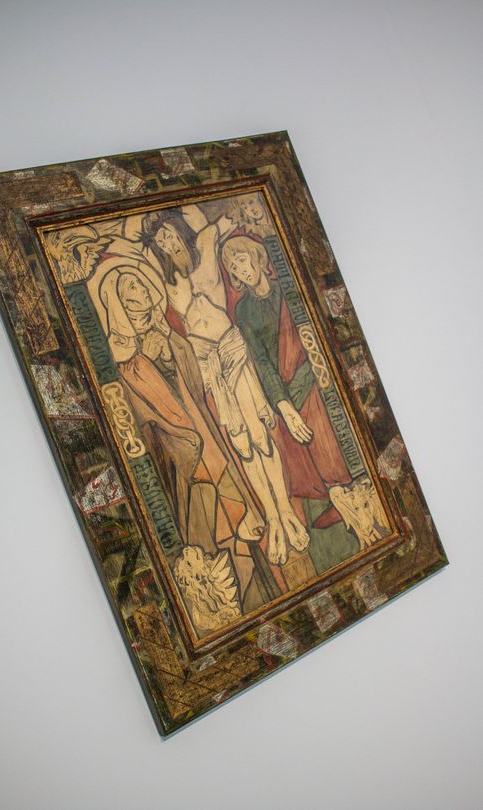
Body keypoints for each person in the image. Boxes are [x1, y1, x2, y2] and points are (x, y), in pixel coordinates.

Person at [93, 261, 280, 625]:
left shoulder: (169, 337)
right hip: (183, 464)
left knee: (242, 532)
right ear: (119, 305)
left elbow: (194, 384)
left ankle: (261, 604)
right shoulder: (125, 360)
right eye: (131, 289)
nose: (141, 291)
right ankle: (234, 616)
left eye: (141, 284)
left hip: (208, 444)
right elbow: (143, 418)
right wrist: (149, 361)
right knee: (213, 538)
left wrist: (169, 347)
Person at [142, 207, 310, 567]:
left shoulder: (206, 241)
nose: (167, 242)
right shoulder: (165, 279)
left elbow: (235, 217)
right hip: (207, 364)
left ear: (178, 227)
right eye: (160, 241)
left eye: (168, 233)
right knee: (242, 445)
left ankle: (286, 512)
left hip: (231, 349)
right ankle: (272, 519)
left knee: (260, 437)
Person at [222, 235, 353, 516]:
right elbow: (262, 362)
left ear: (257, 256)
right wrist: (285, 408)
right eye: (234, 268)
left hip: (317, 376)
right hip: (286, 392)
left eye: (242, 260)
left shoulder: (287, 289)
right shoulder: (243, 310)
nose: (241, 270)